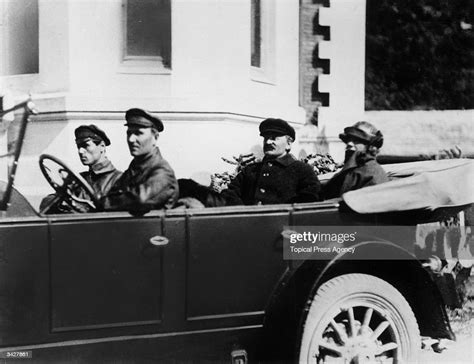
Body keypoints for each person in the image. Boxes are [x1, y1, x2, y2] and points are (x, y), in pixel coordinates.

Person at [179, 118, 321, 206]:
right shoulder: (250, 170)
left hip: (281, 232)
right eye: (266, 138)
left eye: (274, 137)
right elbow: (230, 195)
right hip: (248, 227)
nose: (268, 142)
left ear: (289, 143)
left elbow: (309, 201)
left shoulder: (302, 170)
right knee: (185, 186)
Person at [102, 108, 179, 213]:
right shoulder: (133, 170)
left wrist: (104, 202)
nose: (131, 139)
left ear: (155, 138)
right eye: (129, 133)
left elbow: (141, 200)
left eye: (138, 133)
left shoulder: (162, 172)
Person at [40, 124, 121, 213]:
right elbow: (49, 201)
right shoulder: (78, 179)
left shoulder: (119, 179)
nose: (80, 151)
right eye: (78, 146)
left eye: (86, 145)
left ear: (102, 146)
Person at [323, 121, 389, 199]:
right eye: (348, 140)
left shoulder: (372, 173)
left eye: (356, 141)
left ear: (370, 146)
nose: (349, 144)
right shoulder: (348, 171)